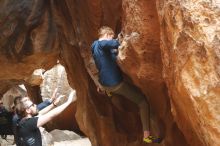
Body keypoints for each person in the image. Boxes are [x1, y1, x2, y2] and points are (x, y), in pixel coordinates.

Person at [91, 26, 161, 143]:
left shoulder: (94, 47)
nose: (111, 39)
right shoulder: (102, 43)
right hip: (115, 84)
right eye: (110, 36)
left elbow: (107, 59)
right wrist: (121, 38)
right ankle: (146, 135)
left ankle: (110, 93)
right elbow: (112, 44)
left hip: (105, 84)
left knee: (118, 92)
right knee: (142, 102)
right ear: (107, 35)